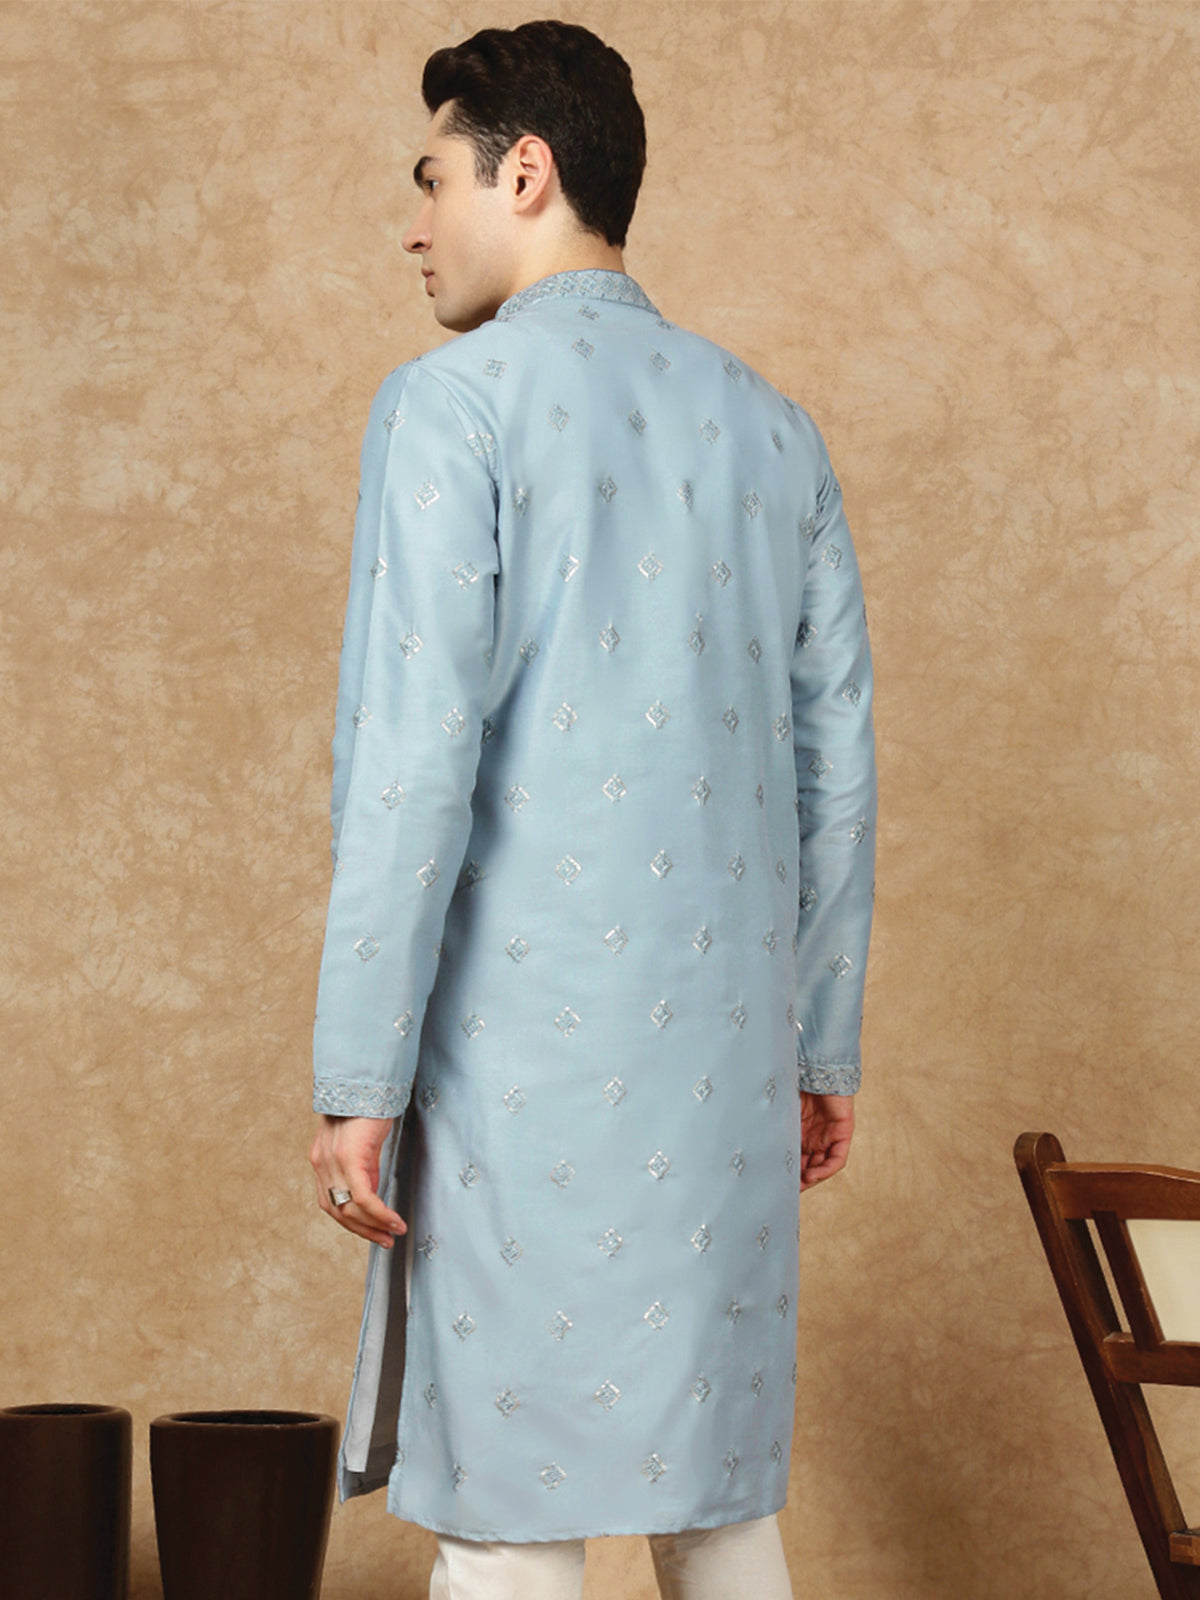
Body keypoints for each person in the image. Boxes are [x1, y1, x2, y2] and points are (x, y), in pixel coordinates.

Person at [308, 19, 875, 1599]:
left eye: (432, 180)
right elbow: (835, 767)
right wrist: (819, 1050)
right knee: (718, 1507)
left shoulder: (456, 405)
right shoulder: (774, 426)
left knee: (510, 1511)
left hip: (523, 1067)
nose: (414, 225)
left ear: (527, 173)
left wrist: (358, 1076)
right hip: (728, 1070)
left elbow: (411, 764)